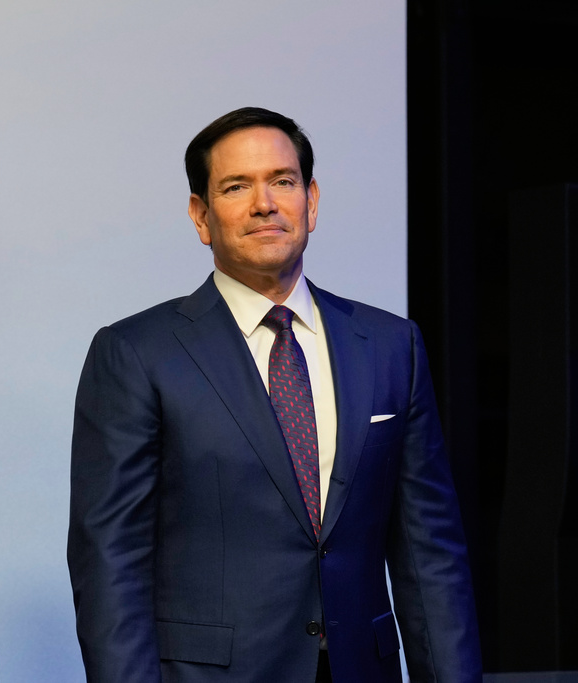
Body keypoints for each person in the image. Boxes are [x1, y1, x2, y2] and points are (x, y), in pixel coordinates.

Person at [67, 107, 481, 682]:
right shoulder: (136, 354)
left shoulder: (391, 345)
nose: (265, 203)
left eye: (282, 181)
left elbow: (429, 554)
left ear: (311, 201)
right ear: (200, 215)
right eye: (237, 186)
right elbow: (110, 563)